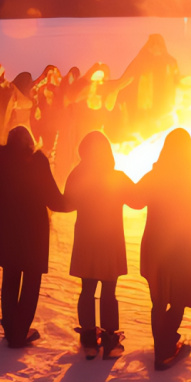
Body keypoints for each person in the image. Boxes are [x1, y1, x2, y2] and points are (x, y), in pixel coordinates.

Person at [0, 125, 66, 346]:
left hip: (9, 233)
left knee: (10, 278)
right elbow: (55, 200)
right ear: (30, 144)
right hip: (34, 234)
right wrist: (78, 199)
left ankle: (11, 328)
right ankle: (19, 332)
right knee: (31, 282)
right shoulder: (38, 165)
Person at [132, 128, 191, 370]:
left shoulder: (157, 173)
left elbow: (136, 199)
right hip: (184, 244)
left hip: (156, 242)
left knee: (158, 300)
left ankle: (164, 346)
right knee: (179, 298)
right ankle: (165, 348)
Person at [60, 131, 136, 359]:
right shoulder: (117, 177)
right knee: (109, 291)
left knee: (87, 288)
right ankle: (111, 340)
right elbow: (137, 200)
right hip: (110, 239)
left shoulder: (77, 175)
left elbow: (67, 203)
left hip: (86, 238)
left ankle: (89, 339)